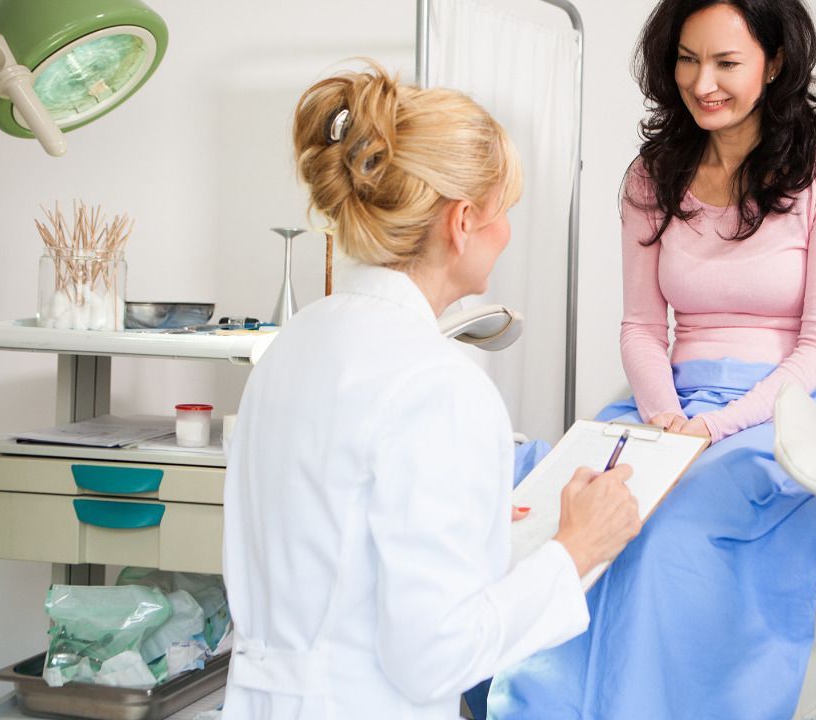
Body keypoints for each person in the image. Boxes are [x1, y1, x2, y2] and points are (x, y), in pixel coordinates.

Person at [487, 1, 816, 718]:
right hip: (669, 403)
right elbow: (641, 327)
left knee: (665, 528)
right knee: (573, 505)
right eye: (687, 59)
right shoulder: (652, 176)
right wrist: (665, 414)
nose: (703, 82)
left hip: (790, 408)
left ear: (777, 63)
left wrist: (716, 427)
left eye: (727, 62)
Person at [221, 62, 642, 720]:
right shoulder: (439, 384)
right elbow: (435, 657)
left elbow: (334, 547)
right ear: (464, 221)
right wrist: (576, 551)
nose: (507, 233)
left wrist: (477, 539)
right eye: (505, 211)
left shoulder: (293, 345)